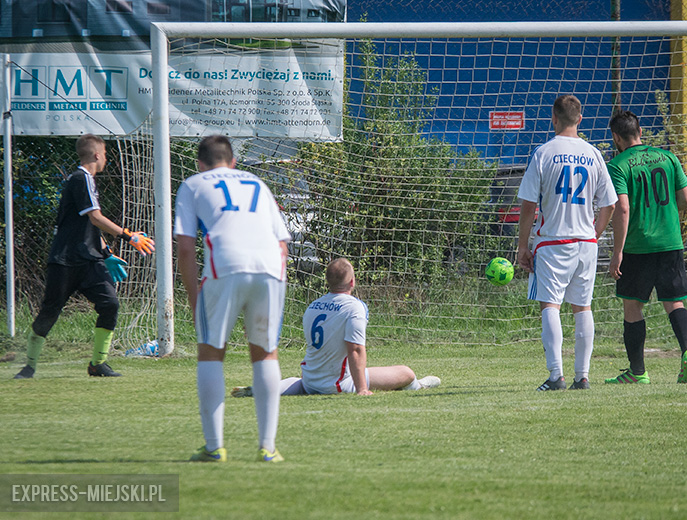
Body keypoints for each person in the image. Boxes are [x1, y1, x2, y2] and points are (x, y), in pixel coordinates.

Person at [174, 135, 291, 463]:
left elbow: (185, 247)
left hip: (224, 265)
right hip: (270, 266)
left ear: (201, 163)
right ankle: (268, 448)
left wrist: (194, 296)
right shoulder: (256, 182)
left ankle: (214, 447)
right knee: (266, 354)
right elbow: (283, 242)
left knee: (211, 352)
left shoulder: (193, 184)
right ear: (234, 161)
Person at [13, 134, 155, 380]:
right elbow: (96, 218)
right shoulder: (81, 178)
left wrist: (107, 254)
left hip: (89, 261)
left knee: (110, 304)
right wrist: (128, 236)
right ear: (97, 155)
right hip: (65, 260)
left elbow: (87, 226)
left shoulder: (85, 181)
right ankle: (29, 366)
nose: (107, 160)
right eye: (106, 155)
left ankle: (98, 364)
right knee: (50, 312)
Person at [516, 95, 617, 391]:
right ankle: (582, 377)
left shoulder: (545, 152)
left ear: (554, 118)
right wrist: (595, 234)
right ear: (580, 119)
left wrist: (523, 246)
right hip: (586, 242)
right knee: (583, 307)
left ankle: (555, 375)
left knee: (551, 305)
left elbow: (527, 204)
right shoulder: (594, 154)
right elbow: (610, 204)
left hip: (553, 242)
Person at [231, 258, 441, 398]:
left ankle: (264, 389)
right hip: (337, 384)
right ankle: (418, 386)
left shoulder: (313, 306)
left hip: (310, 379)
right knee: (406, 372)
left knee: (302, 383)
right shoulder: (355, 307)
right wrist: (362, 389)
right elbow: (355, 349)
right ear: (352, 282)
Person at [605, 110, 687, 385]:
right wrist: (664, 210)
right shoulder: (668, 158)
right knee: (674, 302)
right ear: (640, 132)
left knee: (633, 307)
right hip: (670, 242)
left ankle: (638, 371)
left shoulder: (618, 165)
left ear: (616, 137)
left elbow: (622, 208)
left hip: (638, 245)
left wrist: (617, 252)